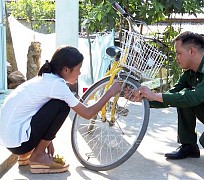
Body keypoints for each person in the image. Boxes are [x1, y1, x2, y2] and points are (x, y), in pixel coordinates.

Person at [127, 31, 204, 168]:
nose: (176, 58)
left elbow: (195, 97)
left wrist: (153, 95)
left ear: (191, 51)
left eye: (178, 53)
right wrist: (143, 98)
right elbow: (172, 95)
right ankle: (189, 146)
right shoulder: (190, 73)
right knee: (182, 96)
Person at [0, 46, 121, 174]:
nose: (79, 73)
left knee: (57, 104)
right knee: (62, 106)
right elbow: (87, 113)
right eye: (78, 69)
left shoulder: (46, 78)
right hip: (19, 144)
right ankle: (37, 156)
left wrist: (47, 141)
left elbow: (39, 113)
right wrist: (110, 92)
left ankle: (27, 155)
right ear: (66, 70)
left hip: (11, 141)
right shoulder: (57, 85)